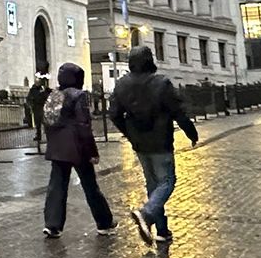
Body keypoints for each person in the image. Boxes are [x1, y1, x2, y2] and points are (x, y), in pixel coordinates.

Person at [108, 46, 198, 246]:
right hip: (161, 141)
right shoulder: (161, 84)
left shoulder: (122, 84)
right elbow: (178, 112)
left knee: (153, 184)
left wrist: (129, 133)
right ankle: (147, 214)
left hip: (140, 143)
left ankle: (161, 230)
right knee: (167, 181)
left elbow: (114, 114)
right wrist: (191, 132)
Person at [39, 63, 115, 239]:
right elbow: (83, 125)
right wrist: (92, 152)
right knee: (90, 186)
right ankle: (104, 222)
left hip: (58, 148)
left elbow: (48, 121)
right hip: (77, 147)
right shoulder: (78, 95)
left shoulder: (54, 95)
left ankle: (52, 225)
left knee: (56, 187)